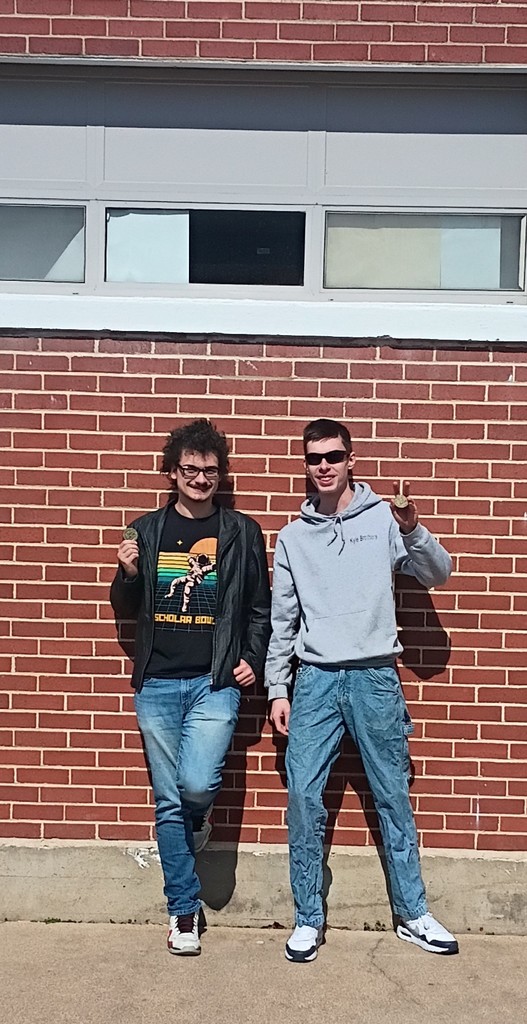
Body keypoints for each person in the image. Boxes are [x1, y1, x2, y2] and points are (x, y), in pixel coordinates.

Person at [266, 418, 458, 962]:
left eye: (333, 456)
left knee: (393, 795)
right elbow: (283, 622)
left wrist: (414, 527)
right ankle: (307, 918)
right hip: (316, 682)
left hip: (376, 677)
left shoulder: (384, 519)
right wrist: (278, 687)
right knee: (303, 797)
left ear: (351, 459)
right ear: (305, 466)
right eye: (313, 458)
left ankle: (413, 913)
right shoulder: (293, 537)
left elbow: (438, 573)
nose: (323, 466)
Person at [110, 419, 271, 956]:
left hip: (214, 681)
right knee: (166, 801)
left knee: (196, 786)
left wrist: (251, 658)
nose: (200, 478)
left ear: (220, 474)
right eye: (190, 470)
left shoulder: (241, 532)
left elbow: (258, 607)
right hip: (156, 681)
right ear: (172, 472)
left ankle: (198, 817)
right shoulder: (145, 530)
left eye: (210, 470)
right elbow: (125, 610)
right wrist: (127, 576)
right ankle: (183, 912)